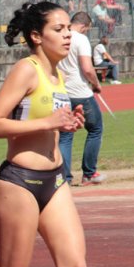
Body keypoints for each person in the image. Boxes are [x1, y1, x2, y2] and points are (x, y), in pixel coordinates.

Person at [0, 2, 120, 267]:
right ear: (35, 36)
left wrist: (63, 124)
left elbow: (42, 123)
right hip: (19, 183)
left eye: (68, 29)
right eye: (59, 29)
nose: (68, 34)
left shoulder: (58, 75)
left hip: (55, 180)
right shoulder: (26, 70)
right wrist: (48, 120)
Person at [56, 12, 107, 187]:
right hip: (80, 92)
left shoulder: (60, 36)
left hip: (62, 92)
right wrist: (96, 84)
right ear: (85, 26)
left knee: (65, 136)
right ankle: (89, 172)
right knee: (95, 129)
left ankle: (65, 178)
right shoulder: (81, 39)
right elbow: (87, 68)